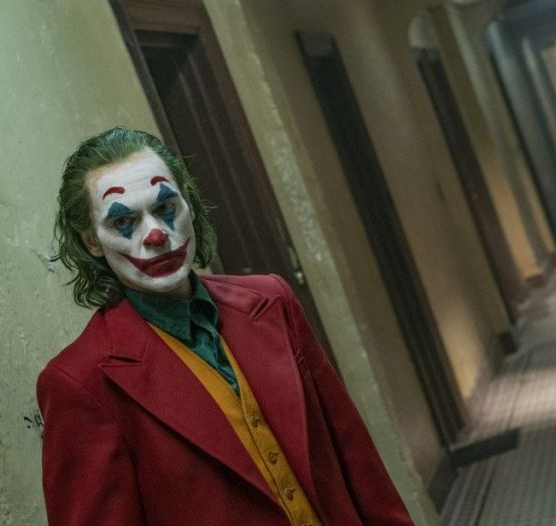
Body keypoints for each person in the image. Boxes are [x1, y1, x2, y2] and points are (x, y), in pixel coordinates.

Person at [38, 127, 414, 526]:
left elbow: (356, 458)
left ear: (189, 204)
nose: (156, 235)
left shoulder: (271, 302)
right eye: (123, 221)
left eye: (166, 207)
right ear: (92, 242)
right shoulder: (79, 383)